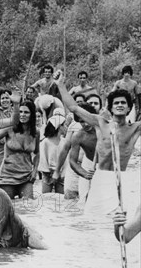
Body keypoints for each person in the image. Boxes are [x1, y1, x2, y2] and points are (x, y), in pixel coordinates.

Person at [56, 70, 141, 215]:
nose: (120, 105)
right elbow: (74, 108)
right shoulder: (100, 123)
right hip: (100, 178)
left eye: (123, 103)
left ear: (129, 108)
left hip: (121, 179)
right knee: (90, 221)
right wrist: (61, 86)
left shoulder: (135, 128)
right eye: (116, 103)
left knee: (116, 223)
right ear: (111, 107)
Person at [0, 100, 39, 199]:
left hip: (26, 176)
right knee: (9, 207)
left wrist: (35, 171)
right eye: (20, 112)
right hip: (7, 176)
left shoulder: (35, 132)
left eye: (26, 112)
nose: (22, 115)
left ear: (32, 115)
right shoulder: (9, 128)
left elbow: (37, 153)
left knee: (29, 205)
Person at [66, 103, 99, 202]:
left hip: (105, 165)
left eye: (87, 120)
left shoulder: (104, 129)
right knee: (83, 200)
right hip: (88, 165)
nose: (85, 124)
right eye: (81, 122)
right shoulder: (78, 136)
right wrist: (84, 173)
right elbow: (72, 161)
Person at [38, 114, 67, 193]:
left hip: (61, 174)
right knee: (46, 197)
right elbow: (43, 160)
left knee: (61, 198)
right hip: (48, 174)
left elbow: (66, 161)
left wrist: (63, 173)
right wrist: (47, 173)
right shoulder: (45, 142)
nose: (66, 127)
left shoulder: (65, 142)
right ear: (58, 126)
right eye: (64, 125)